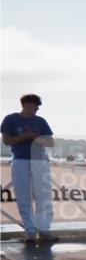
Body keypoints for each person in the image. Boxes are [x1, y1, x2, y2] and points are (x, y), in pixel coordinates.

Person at [1, 93, 57, 242]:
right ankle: (30, 231)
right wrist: (26, 137)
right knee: (23, 196)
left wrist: (37, 138)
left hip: (40, 161)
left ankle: (44, 230)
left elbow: (50, 142)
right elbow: (6, 141)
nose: (37, 108)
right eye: (35, 104)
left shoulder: (41, 121)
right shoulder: (10, 119)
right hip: (20, 160)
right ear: (26, 103)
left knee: (43, 196)